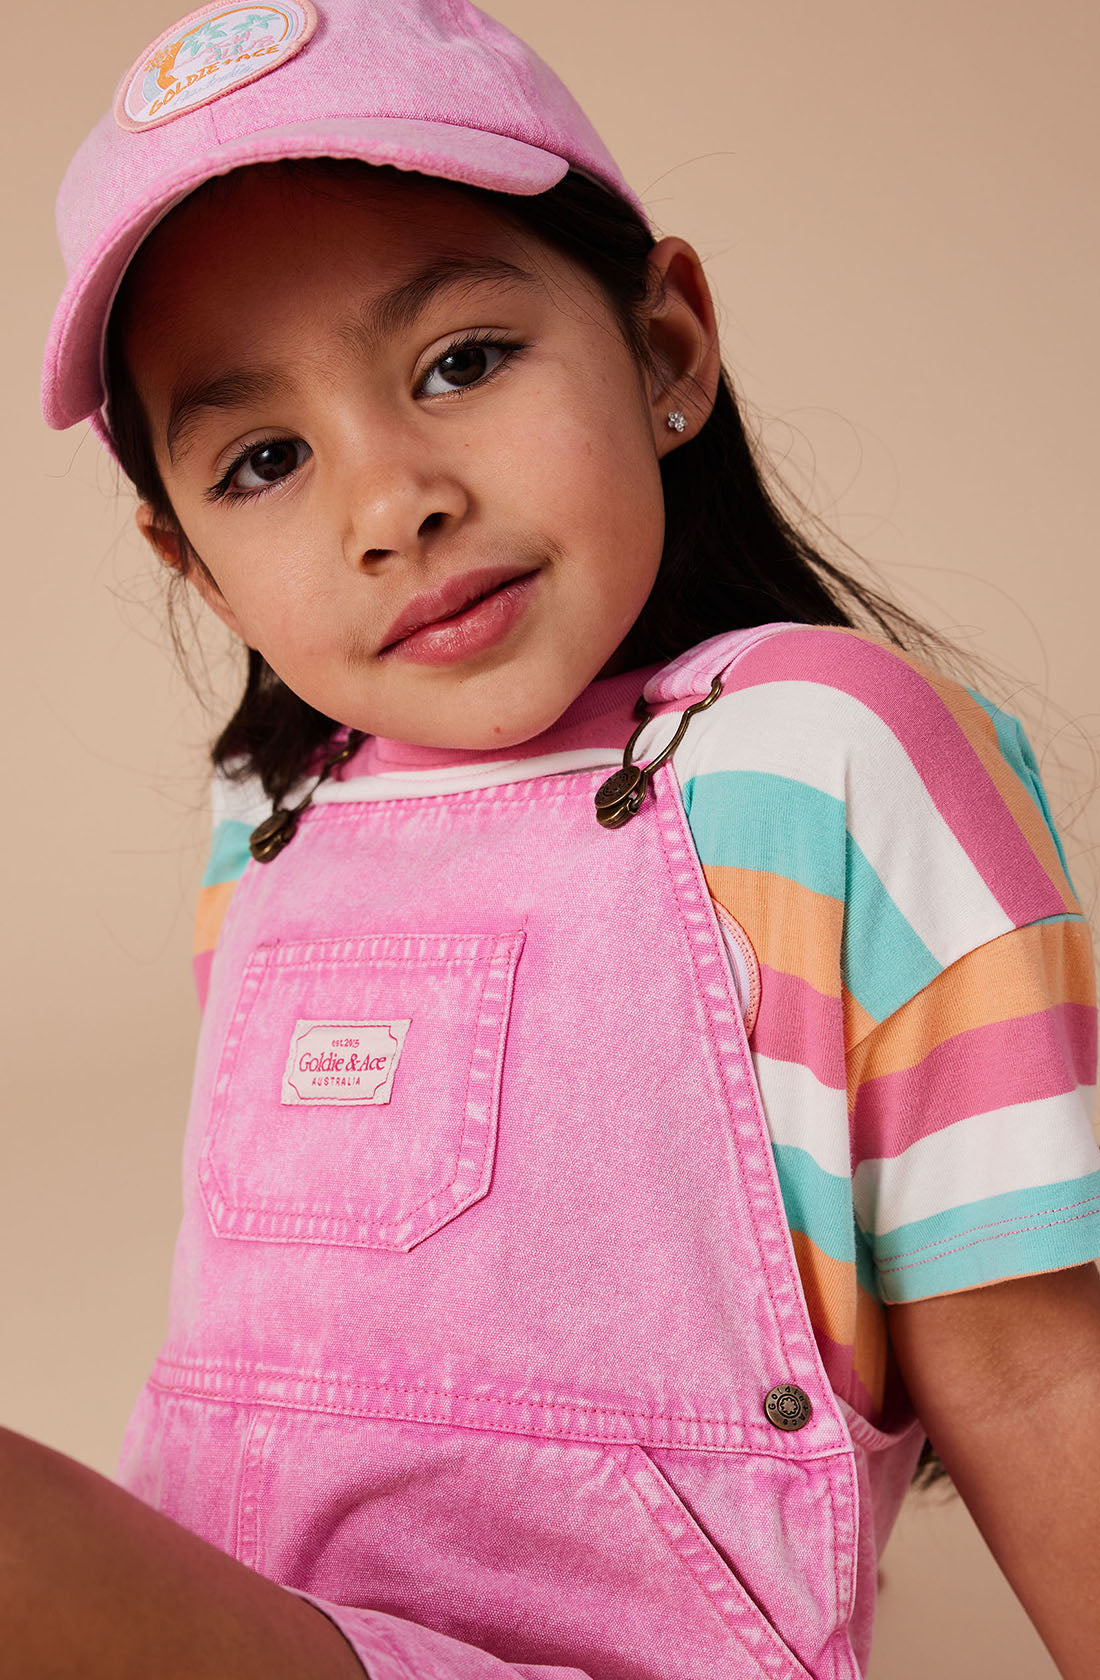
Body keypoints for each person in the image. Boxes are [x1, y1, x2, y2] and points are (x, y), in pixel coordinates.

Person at [17, 0, 1100, 1674]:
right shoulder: (274, 824)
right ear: (197, 565)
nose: (392, 503)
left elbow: (1040, 1368)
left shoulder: (819, 762)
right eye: (266, 459)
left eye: (461, 362)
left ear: (664, 349)